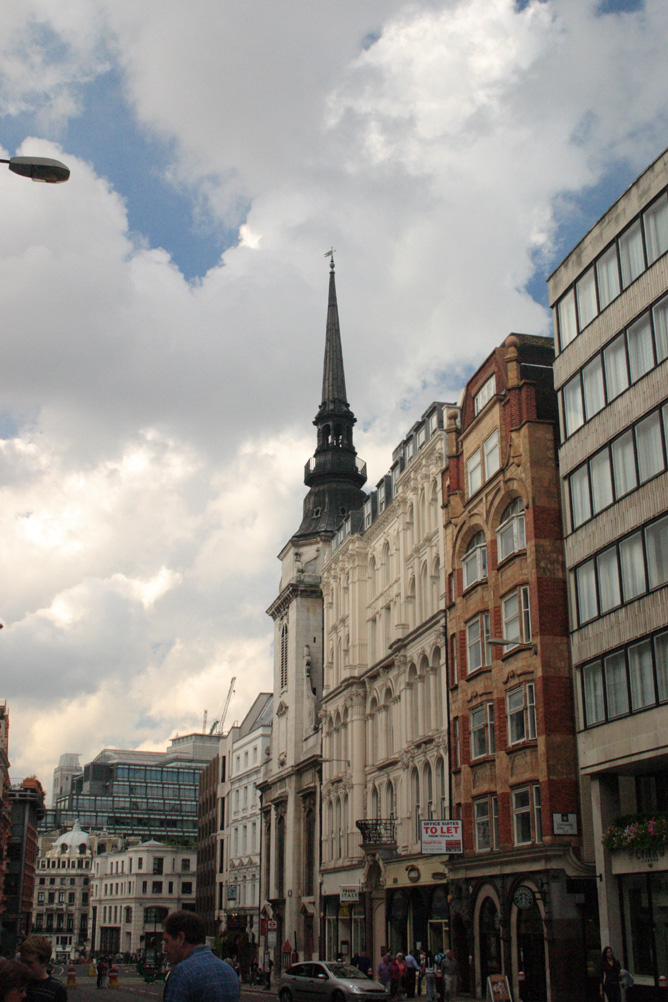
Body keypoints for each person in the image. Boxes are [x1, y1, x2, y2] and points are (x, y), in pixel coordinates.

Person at [163, 910, 240, 1002]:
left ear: (180, 938)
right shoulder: (229, 972)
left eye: (166, 941)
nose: (165, 948)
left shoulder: (182, 973)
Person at [19, 937, 67, 1002]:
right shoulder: (18, 983)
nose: (24, 966)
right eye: (22, 961)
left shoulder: (57, 989)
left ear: (44, 961)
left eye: (29, 963)